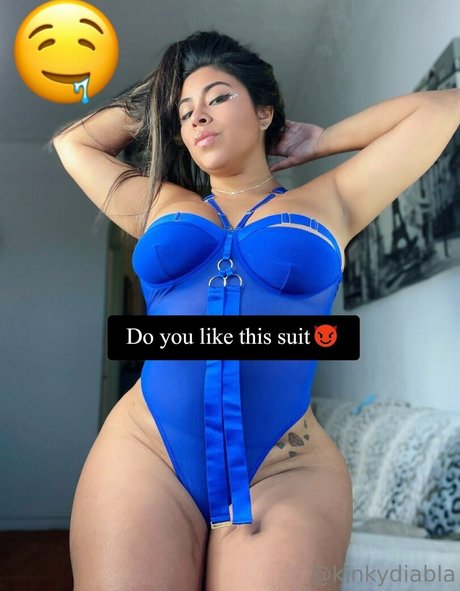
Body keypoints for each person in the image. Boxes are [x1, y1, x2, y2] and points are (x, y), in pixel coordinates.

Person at [51, 29, 460, 591]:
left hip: (284, 466)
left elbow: (444, 108)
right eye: (184, 112)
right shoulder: (157, 203)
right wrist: (161, 92)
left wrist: (324, 140)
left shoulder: (332, 199)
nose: (198, 116)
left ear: (265, 112)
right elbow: (74, 144)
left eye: (219, 97)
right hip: (147, 452)